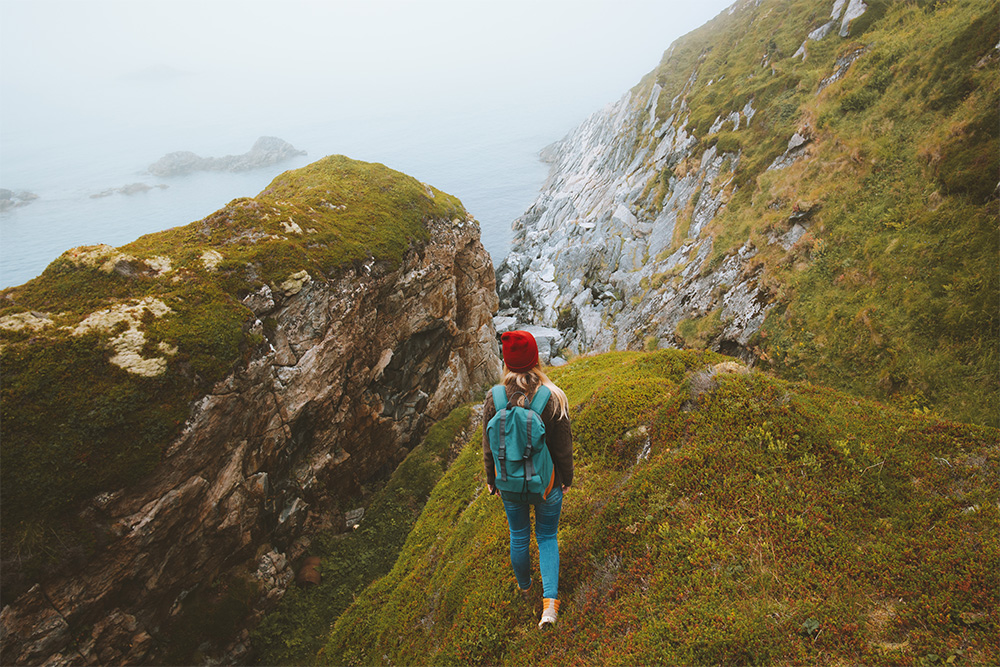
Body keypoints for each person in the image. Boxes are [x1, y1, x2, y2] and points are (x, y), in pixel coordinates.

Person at [482, 330, 573, 629]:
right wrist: (566, 479)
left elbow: (488, 446)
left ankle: (525, 589)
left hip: (508, 484)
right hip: (545, 485)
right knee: (547, 537)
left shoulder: (494, 398)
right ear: (535, 359)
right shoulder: (551, 397)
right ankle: (549, 607)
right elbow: (562, 447)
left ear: (507, 363)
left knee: (518, 535)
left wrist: (491, 480)